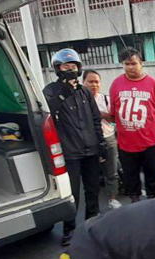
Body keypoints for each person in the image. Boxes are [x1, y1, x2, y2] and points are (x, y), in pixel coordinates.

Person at [43, 48, 107, 246]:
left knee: (93, 189)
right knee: (72, 193)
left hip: (91, 149)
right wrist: (63, 92)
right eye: (66, 66)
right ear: (58, 69)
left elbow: (96, 119)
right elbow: (48, 113)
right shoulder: (51, 91)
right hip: (69, 152)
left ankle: (92, 224)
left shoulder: (85, 92)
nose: (70, 69)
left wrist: (101, 143)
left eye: (73, 66)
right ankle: (69, 229)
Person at [109, 48, 155, 202]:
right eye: (127, 64)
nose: (130, 67)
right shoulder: (116, 84)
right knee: (131, 178)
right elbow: (114, 114)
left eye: (134, 63)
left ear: (141, 63)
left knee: (152, 177)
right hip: (125, 144)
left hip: (150, 143)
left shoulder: (154, 85)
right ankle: (135, 204)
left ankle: (152, 201)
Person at [84, 69, 121, 210]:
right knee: (91, 175)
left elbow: (114, 118)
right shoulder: (80, 101)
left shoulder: (106, 99)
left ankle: (113, 198)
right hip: (89, 142)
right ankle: (93, 206)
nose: (94, 85)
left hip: (108, 138)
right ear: (84, 83)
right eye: (90, 82)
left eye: (97, 82)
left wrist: (99, 114)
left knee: (112, 171)